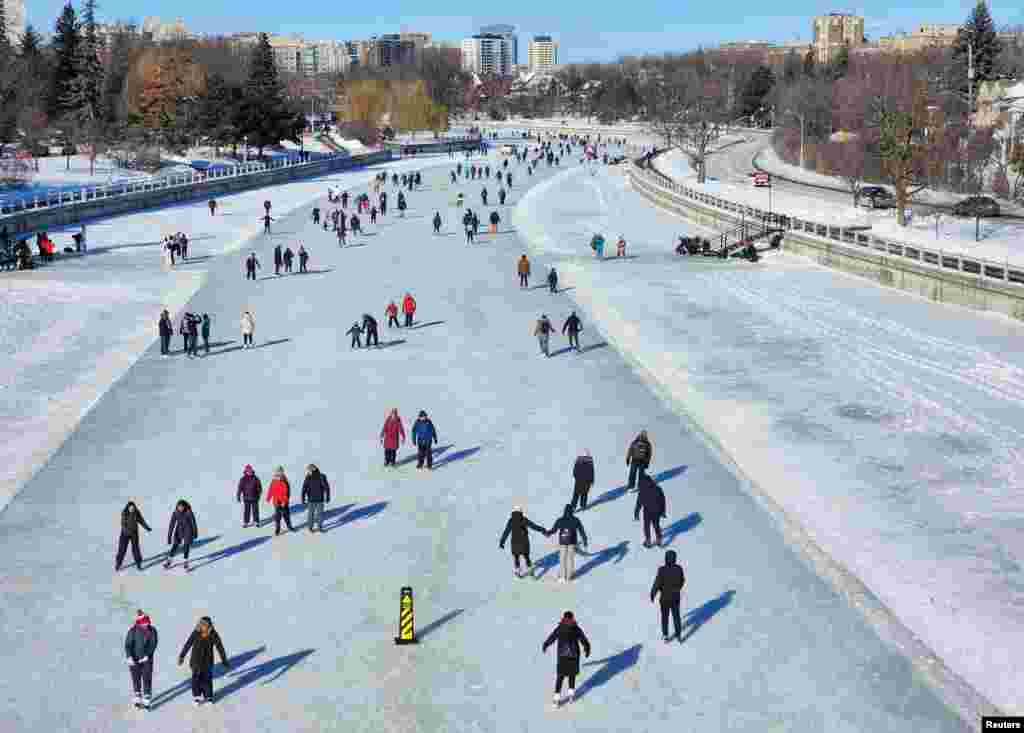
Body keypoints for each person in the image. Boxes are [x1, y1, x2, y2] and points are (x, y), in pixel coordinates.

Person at [542, 611, 591, 708]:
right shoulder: (576, 628)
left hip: (562, 656)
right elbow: (583, 639)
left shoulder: (560, 628)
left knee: (560, 676)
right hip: (574, 656)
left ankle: (556, 698)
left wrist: (546, 644)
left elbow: (552, 637)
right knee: (571, 675)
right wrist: (587, 648)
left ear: (563, 618)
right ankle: (571, 695)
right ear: (573, 618)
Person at [178, 616, 230, 705]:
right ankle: (197, 696)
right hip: (196, 661)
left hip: (207, 661)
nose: (203, 626)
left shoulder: (213, 634)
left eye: (205, 625)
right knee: (196, 679)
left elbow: (220, 647)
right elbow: (188, 644)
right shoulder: (196, 633)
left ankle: (208, 696)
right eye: (201, 624)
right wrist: (182, 656)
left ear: (209, 626)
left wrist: (224, 660)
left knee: (207, 679)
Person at [499, 506, 548, 578]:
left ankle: (518, 572)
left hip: (514, 543)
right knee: (527, 557)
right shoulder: (523, 519)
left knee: (516, 557)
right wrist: (542, 530)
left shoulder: (511, 520)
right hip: (524, 543)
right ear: (521, 512)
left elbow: (506, 531)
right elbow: (533, 526)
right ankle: (532, 573)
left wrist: (502, 542)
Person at [125, 610, 158, 708]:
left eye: (147, 622)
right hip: (135, 659)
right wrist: (129, 657)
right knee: (136, 677)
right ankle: (137, 694)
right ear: (139, 623)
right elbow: (128, 645)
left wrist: (147, 655)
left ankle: (147, 697)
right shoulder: (133, 631)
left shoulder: (152, 630)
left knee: (147, 677)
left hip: (147, 660)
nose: (146, 624)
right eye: (144, 623)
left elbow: (153, 644)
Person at [651, 550, 686, 641]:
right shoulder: (679, 568)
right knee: (676, 616)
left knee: (665, 617)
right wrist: (677, 588)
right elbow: (682, 580)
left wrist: (653, 593)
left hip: (664, 598)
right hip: (675, 597)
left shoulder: (662, 570)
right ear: (675, 559)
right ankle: (678, 635)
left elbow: (657, 583)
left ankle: (665, 635)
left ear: (666, 558)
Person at [549, 505, 588, 584]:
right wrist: (584, 540)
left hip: (562, 542)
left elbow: (554, 530)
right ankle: (570, 576)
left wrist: (547, 533)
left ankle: (563, 576)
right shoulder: (576, 520)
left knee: (562, 558)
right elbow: (581, 530)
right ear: (571, 511)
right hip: (572, 542)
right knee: (570, 558)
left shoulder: (560, 520)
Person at [116, 502, 152, 572]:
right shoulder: (124, 513)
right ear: (128, 508)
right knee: (122, 549)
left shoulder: (136, 512)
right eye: (130, 508)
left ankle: (138, 563)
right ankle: (118, 563)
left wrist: (147, 527)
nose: (132, 509)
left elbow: (141, 520)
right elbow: (123, 524)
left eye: (133, 508)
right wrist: (127, 531)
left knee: (136, 549)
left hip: (134, 534)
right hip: (124, 534)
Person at [164, 500, 198, 570]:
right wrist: (169, 537)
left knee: (186, 546)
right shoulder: (175, 513)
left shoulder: (189, 512)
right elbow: (171, 525)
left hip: (188, 530)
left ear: (184, 506)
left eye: (181, 507)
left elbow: (193, 523)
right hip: (179, 530)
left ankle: (185, 562)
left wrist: (195, 533)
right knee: (175, 545)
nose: (180, 508)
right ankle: (169, 561)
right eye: (179, 507)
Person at [635, 474, 667, 547]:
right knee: (656, 525)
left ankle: (648, 541)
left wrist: (636, 513)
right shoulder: (658, 488)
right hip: (657, 511)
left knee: (646, 526)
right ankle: (659, 540)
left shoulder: (642, 491)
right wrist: (663, 511)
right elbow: (663, 501)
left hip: (647, 511)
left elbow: (639, 503)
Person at [301, 464, 331, 533]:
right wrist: (303, 497)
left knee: (320, 514)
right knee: (310, 514)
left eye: (309, 470)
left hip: (320, 499)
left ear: (313, 469)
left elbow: (327, 487)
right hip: (311, 500)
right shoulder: (308, 477)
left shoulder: (322, 476)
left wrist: (328, 496)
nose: (308, 471)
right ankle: (310, 527)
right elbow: (304, 488)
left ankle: (319, 527)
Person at [266, 466, 295, 535]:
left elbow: (287, 493)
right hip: (276, 501)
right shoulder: (273, 481)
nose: (279, 473)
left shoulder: (285, 481)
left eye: (280, 472)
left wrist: (284, 502)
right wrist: (268, 498)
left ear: (282, 472)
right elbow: (271, 490)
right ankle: (277, 529)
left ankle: (289, 526)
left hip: (284, 502)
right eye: (278, 472)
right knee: (277, 516)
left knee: (286, 515)